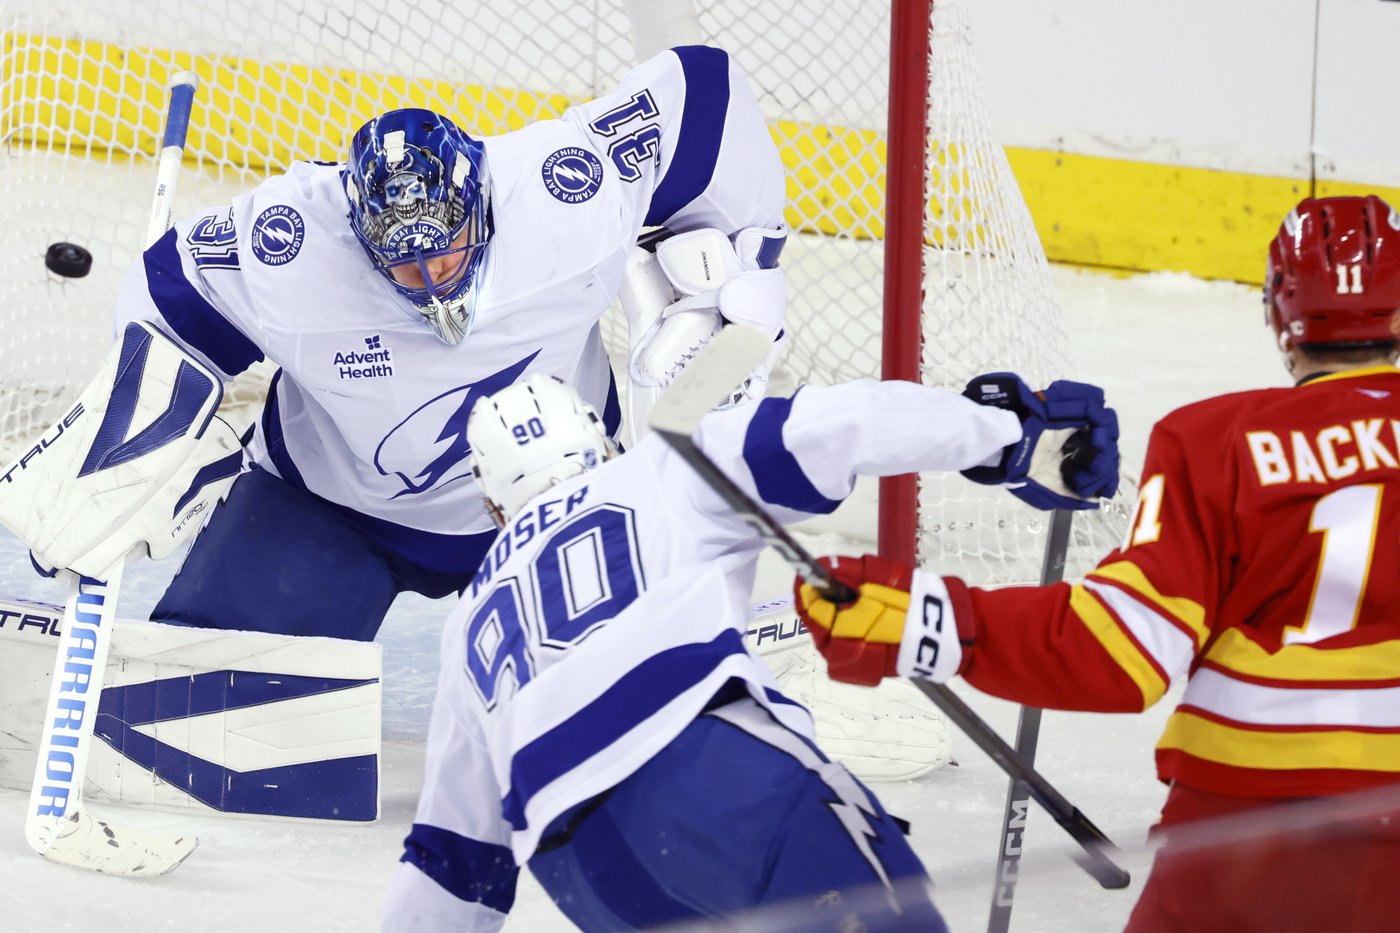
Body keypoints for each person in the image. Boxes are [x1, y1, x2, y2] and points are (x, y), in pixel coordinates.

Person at [23, 46, 790, 642]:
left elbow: (704, 91)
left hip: (552, 501)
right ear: (357, 230)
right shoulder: (293, 238)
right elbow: (170, 290)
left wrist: (750, 263)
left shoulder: (564, 188)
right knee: (208, 704)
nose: (429, 283)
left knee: (622, 715)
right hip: (329, 507)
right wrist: (132, 437)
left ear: (481, 206)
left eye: (446, 255)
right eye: (404, 264)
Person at [794, 195, 1400, 933]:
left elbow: (1122, 650)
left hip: (1245, 836)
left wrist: (929, 617)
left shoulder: (1215, 442)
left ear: (1278, 314)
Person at [379, 366, 1120, 931]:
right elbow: (837, 422)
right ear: (600, 438)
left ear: (493, 506)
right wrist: (1008, 438)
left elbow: (452, 857)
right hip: (706, 774)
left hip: (583, 866)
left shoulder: (469, 621)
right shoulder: (664, 465)